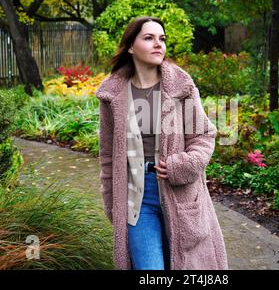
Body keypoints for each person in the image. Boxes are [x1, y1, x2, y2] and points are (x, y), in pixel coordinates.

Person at [95, 16, 228, 270]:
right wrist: (111, 200)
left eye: (162, 39)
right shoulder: (111, 94)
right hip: (136, 197)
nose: (158, 44)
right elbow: (108, 155)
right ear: (131, 47)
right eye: (149, 38)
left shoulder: (181, 86)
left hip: (179, 193)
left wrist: (182, 165)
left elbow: (203, 136)